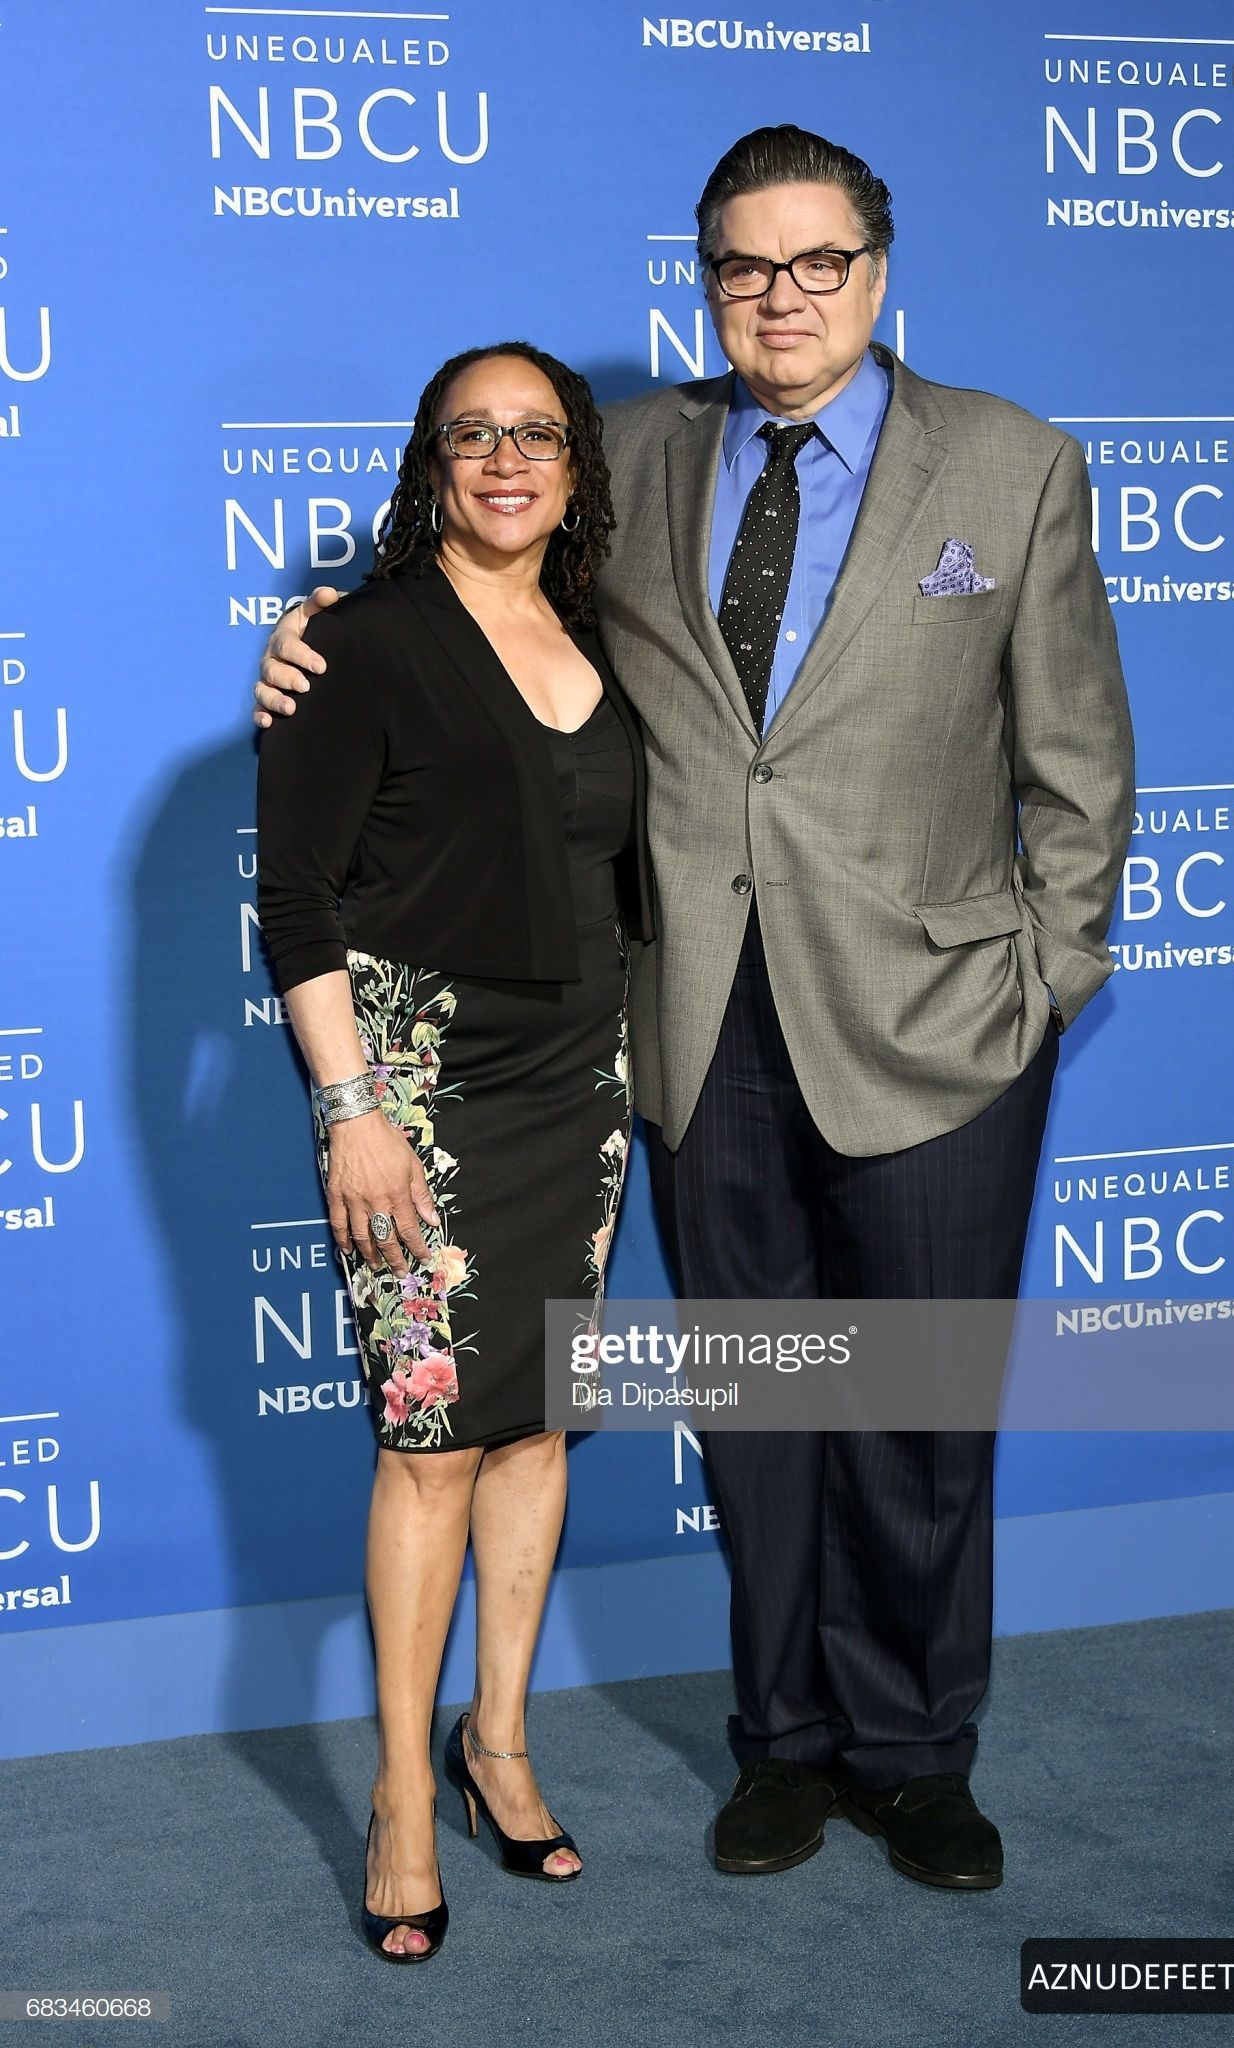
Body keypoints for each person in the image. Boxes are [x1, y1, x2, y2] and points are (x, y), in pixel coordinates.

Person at [255, 126, 1134, 1895]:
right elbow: (477, 611)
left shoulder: (1014, 462)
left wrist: (1042, 983)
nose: (780, 296)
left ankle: (915, 1753)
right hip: (692, 1026)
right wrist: (313, 635)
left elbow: (1078, 763)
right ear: (704, 281)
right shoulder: (631, 453)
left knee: (918, 1416)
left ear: (876, 272)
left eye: (816, 263)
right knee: (758, 1418)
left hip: (941, 1027)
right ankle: (784, 1743)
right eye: (744, 265)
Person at [255, 339, 653, 1960]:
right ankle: (403, 1799)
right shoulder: (357, 643)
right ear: (431, 463)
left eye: (534, 435)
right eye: (471, 436)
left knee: (537, 1427)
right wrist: (350, 1109)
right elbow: (297, 899)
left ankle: (499, 1745)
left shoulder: (608, 632)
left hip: (581, 1076)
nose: (505, 461)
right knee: (428, 1443)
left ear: (575, 466)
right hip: (416, 1084)